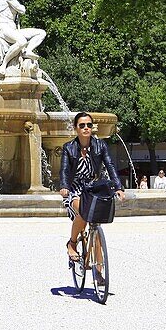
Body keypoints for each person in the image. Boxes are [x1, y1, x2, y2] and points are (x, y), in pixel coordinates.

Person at [60, 112, 125, 264]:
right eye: (82, 125)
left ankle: (99, 269)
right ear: (76, 128)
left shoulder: (100, 145)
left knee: (96, 225)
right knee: (83, 213)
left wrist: (118, 187)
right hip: (75, 188)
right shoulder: (68, 148)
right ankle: (72, 243)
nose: (86, 128)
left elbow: (110, 166)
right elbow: (64, 170)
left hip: (93, 187)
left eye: (89, 125)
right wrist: (63, 186)